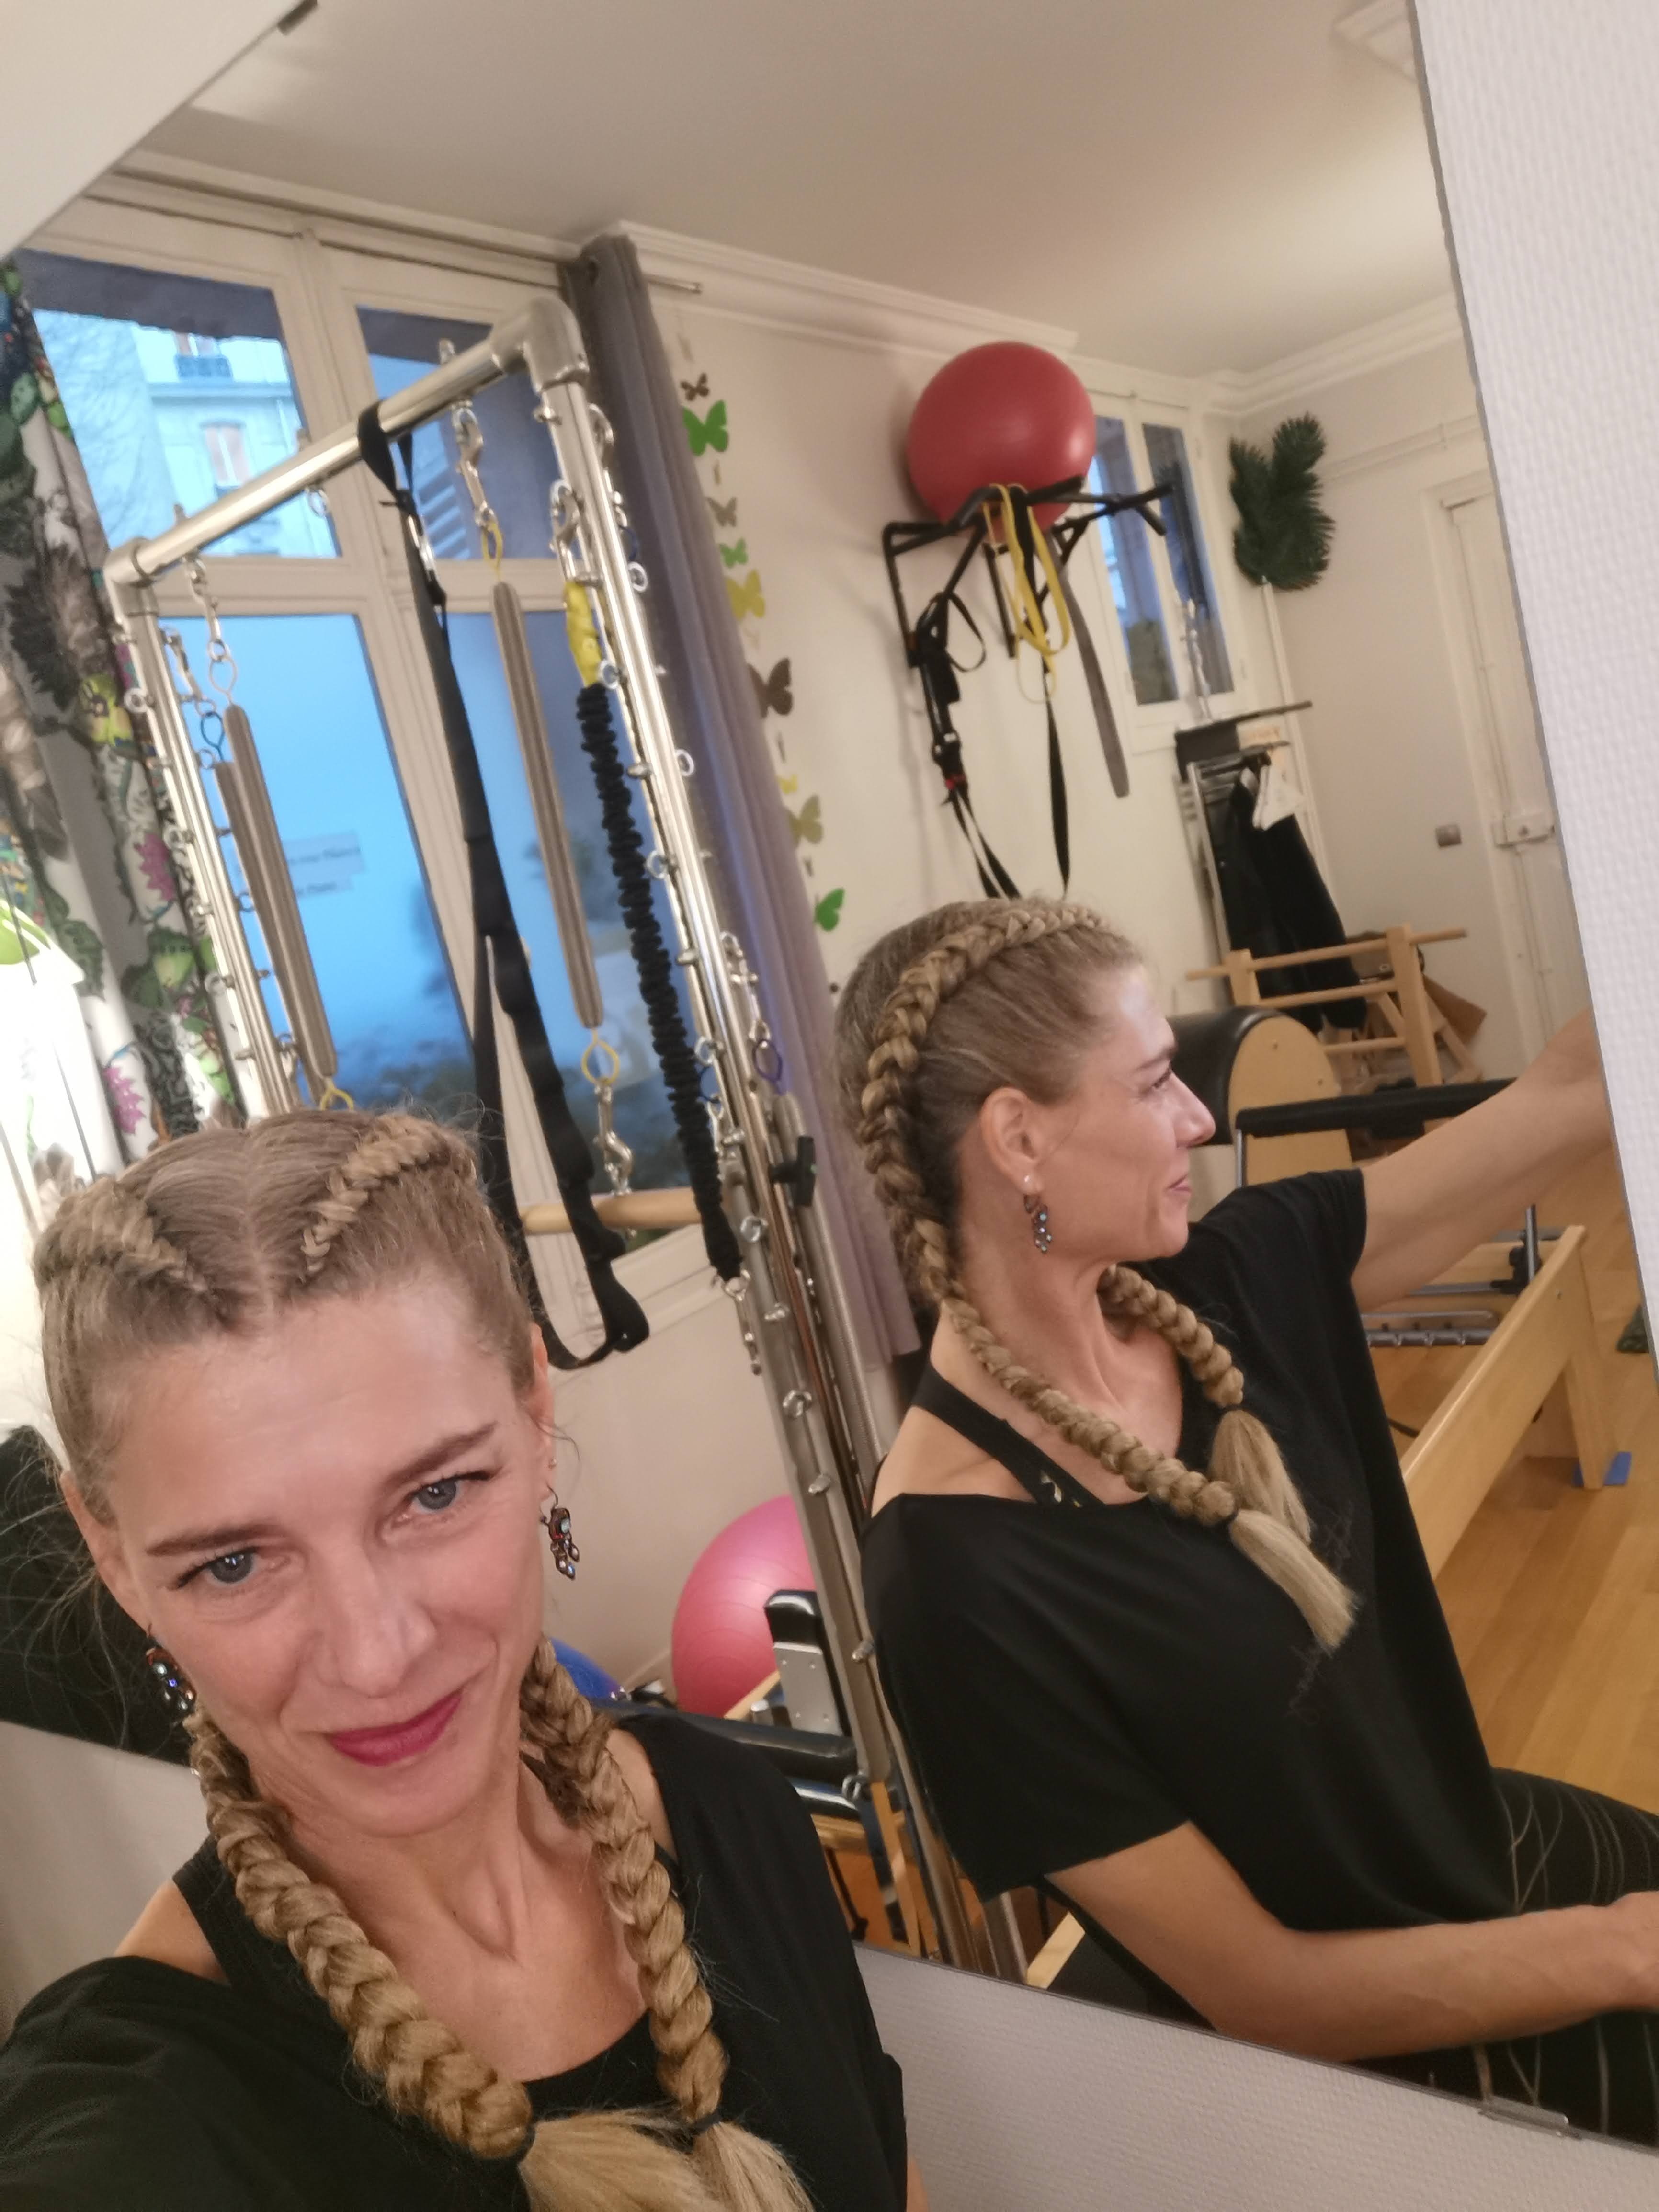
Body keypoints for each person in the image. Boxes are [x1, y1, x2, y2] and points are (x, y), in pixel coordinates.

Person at [839, 895, 1659, 2147]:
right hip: (1367, 2051)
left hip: (1466, 1836)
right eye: (1154, 1080)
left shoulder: (1232, 1276)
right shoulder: (954, 1573)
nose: (1200, 1117)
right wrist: (1622, 1951)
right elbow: (1268, 1994)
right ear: (1018, 1137)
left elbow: (1569, 1091)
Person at [0, 1111, 919, 2211]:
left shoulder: (732, 1811)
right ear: (112, 1556)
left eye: (435, 1493)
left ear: (535, 1413)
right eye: (234, 1562)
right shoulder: (149, 2106)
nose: (376, 1654)